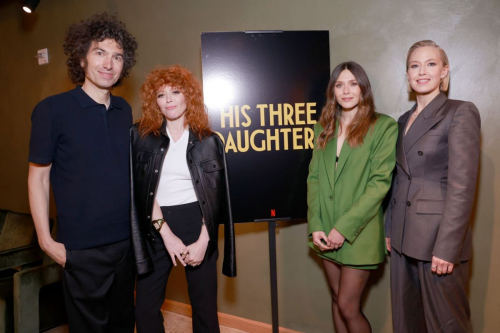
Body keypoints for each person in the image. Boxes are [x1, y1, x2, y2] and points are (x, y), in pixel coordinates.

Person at [27, 13, 137, 333]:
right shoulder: (51, 110)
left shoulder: (123, 111)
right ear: (82, 57)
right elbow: (38, 178)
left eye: (117, 56)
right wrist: (47, 242)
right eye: (99, 52)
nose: (109, 63)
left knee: (122, 325)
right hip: (80, 251)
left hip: (125, 246)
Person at [130, 65, 236, 333]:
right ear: (153, 101)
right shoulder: (141, 137)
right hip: (157, 225)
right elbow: (142, 192)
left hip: (197, 223)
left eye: (175, 92)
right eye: (161, 95)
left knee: (204, 310)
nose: (169, 100)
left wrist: (204, 239)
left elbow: (215, 198)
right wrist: (165, 233)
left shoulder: (209, 141)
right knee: (144, 309)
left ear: (188, 96)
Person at [385, 40, 480, 332]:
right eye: (414, 65)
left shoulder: (460, 112)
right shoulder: (402, 121)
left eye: (430, 64)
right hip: (402, 238)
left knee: (446, 324)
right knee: (408, 321)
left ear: (444, 71)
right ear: (408, 74)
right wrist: (389, 229)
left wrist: (448, 247)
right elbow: (400, 179)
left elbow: (462, 187)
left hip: (437, 241)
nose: (421, 71)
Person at [307, 61, 397, 332]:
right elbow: (314, 179)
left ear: (363, 88)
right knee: (336, 300)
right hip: (325, 232)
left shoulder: (383, 126)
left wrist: (342, 229)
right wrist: (316, 225)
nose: (346, 91)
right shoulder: (321, 128)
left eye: (352, 83)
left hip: (358, 232)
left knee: (348, 305)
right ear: (332, 91)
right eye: (339, 85)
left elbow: (379, 185)